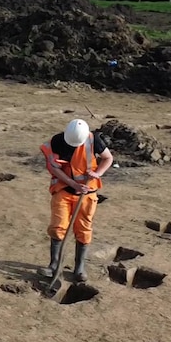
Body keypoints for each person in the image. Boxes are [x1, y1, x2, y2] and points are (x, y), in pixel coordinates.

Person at [38, 119, 114, 282]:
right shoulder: (57, 141)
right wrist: (73, 184)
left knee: (83, 229)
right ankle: (53, 265)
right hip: (63, 189)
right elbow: (54, 168)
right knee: (58, 226)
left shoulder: (94, 140)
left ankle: (79, 268)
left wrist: (98, 173)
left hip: (87, 193)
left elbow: (108, 158)